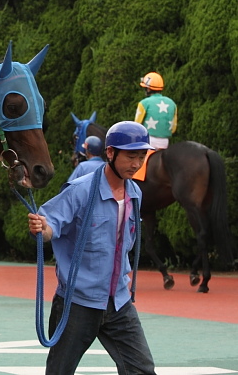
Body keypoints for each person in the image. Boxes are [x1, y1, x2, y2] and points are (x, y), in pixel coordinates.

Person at [27, 121, 156, 375]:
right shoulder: (81, 190)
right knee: (60, 371)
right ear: (110, 153)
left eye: (142, 157)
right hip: (78, 302)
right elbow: (51, 223)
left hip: (119, 301)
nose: (136, 164)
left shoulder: (135, 194)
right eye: (131, 156)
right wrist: (42, 228)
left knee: (142, 369)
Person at [134, 71, 176, 150]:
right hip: (165, 142)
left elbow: (137, 126)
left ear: (148, 89)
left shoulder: (143, 103)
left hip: (148, 141)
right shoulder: (172, 103)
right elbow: (173, 129)